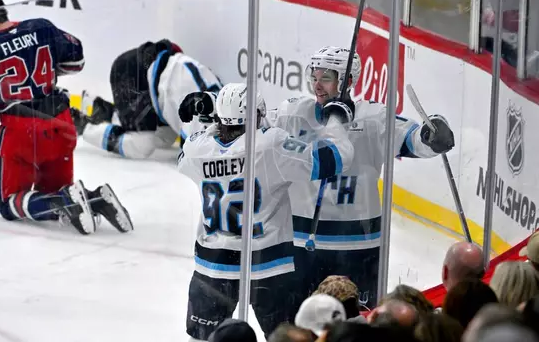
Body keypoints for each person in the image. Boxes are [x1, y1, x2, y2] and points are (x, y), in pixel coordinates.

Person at [270, 45, 455, 309]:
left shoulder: (373, 118)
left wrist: (432, 134)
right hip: (301, 244)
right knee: (301, 322)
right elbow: (257, 129)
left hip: (358, 246)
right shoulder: (292, 114)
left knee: (360, 324)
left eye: (326, 78)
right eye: (314, 76)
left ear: (347, 81)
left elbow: (412, 139)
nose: (317, 85)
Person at [177, 82, 355, 341]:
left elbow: (189, 154)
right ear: (258, 116)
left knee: (202, 338)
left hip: (213, 266)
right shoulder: (271, 145)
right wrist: (337, 119)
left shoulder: (196, 149)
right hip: (268, 266)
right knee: (289, 337)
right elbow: (334, 159)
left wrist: (208, 111)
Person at [0, 0, 134, 235]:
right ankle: (97, 199)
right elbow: (76, 62)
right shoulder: (40, 26)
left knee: (5, 202)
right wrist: (41, 72)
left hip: (23, 133)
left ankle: (62, 202)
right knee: (57, 190)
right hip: (61, 126)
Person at [71, 39, 222, 159]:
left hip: (156, 70)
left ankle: (107, 113)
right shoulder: (206, 126)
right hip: (135, 73)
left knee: (164, 139)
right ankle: (85, 126)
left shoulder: (223, 106)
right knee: (141, 146)